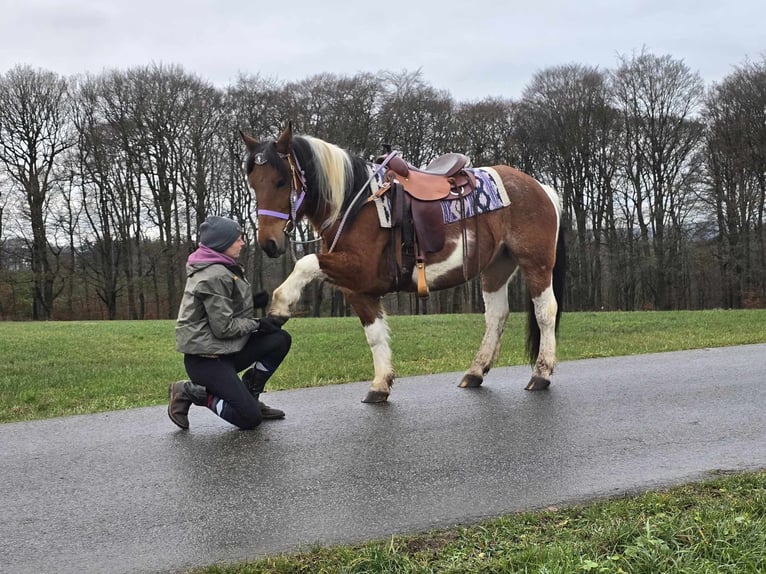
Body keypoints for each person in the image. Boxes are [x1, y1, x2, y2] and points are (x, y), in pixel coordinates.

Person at [168, 215, 291, 430]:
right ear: (222, 243)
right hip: (206, 361)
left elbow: (219, 308)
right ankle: (191, 391)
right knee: (249, 419)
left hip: (226, 351)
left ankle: (251, 395)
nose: (243, 242)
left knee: (279, 339)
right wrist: (258, 324)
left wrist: (252, 301)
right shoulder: (213, 275)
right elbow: (223, 327)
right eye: (238, 238)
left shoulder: (223, 267)